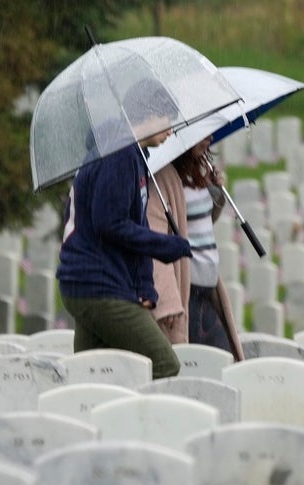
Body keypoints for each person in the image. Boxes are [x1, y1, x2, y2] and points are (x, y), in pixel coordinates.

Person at [56, 80, 192, 379]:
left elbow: (133, 221)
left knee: (93, 375)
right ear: (147, 114)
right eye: (167, 118)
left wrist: (144, 285)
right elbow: (111, 223)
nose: (171, 129)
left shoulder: (128, 151)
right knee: (164, 365)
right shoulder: (117, 152)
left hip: (90, 282)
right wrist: (164, 246)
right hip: (98, 283)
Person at [146, 135, 244, 360]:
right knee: (205, 364)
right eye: (201, 134)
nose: (209, 137)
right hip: (187, 289)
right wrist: (168, 300)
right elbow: (156, 241)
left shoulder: (198, 173)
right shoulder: (163, 180)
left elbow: (202, 222)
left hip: (208, 288)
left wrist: (215, 191)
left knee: (220, 362)